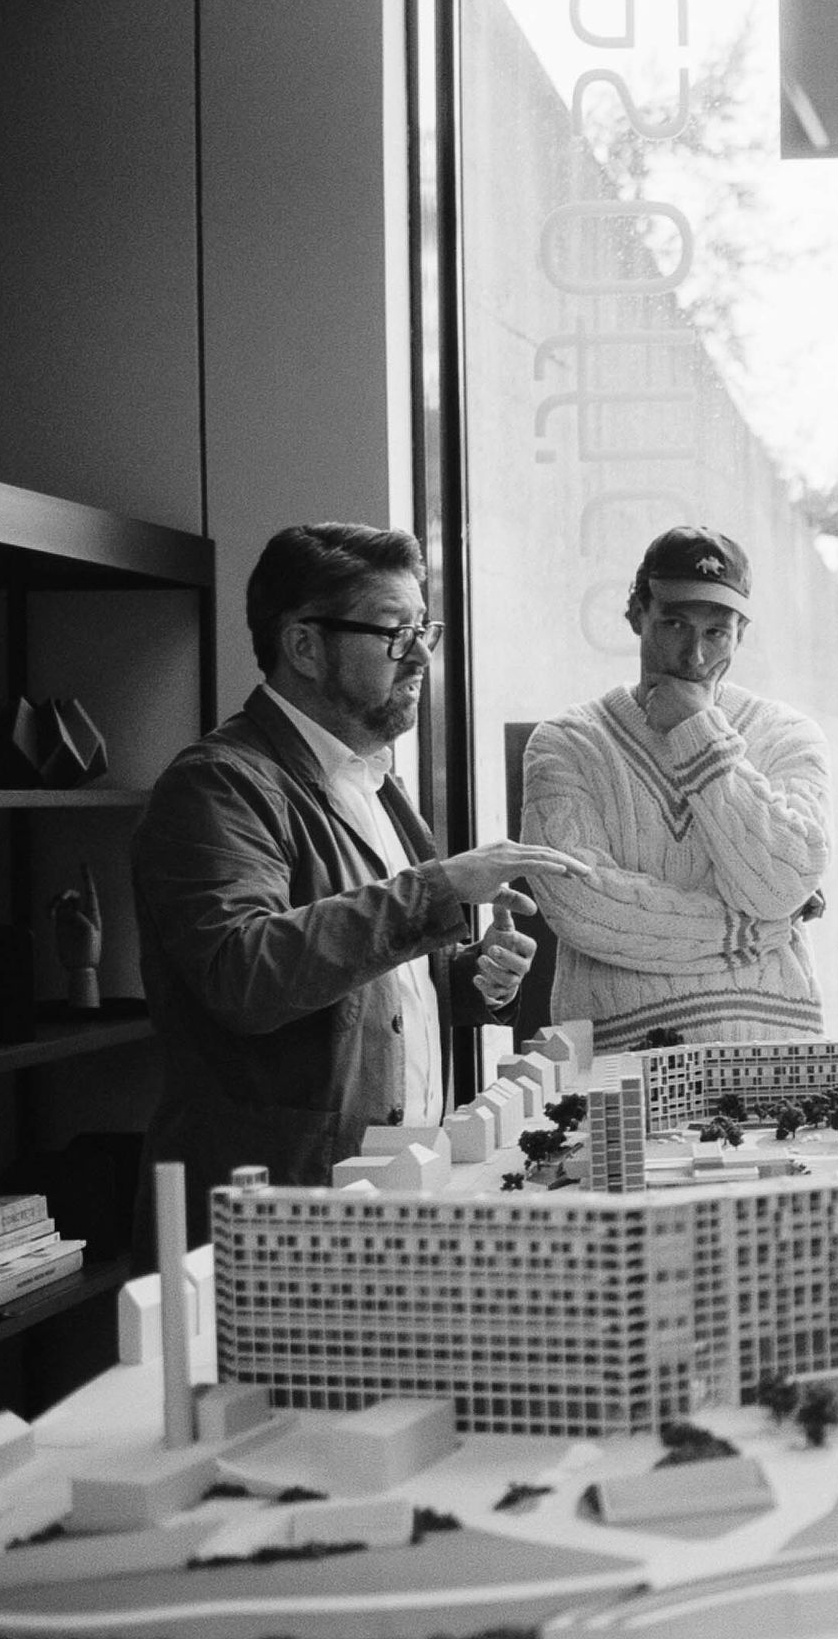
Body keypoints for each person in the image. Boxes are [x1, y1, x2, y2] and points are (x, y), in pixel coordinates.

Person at [133, 523, 589, 1239]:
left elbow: (370, 994)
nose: (422, 657)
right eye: (394, 633)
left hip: (386, 1194)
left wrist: (471, 980)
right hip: (276, 1218)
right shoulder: (217, 785)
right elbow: (243, 976)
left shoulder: (377, 783)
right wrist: (438, 888)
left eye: (424, 630)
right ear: (304, 645)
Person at [522, 526, 830, 1050]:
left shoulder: (788, 735)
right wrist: (756, 931)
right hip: (622, 1063)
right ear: (636, 613)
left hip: (773, 1054)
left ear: (742, 633)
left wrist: (699, 733)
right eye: (674, 623)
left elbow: (780, 883)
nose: (694, 656)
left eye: (717, 632)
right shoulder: (566, 743)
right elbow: (587, 911)